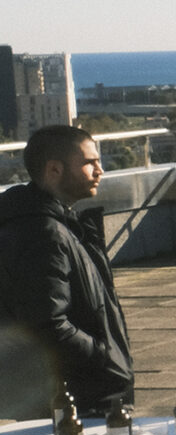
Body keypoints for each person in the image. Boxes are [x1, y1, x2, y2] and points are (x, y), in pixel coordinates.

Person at [0, 124, 133, 415]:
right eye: (89, 163)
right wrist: (104, 355)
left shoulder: (61, 226)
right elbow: (46, 324)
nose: (100, 170)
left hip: (76, 392)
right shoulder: (43, 233)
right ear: (54, 170)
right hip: (75, 398)